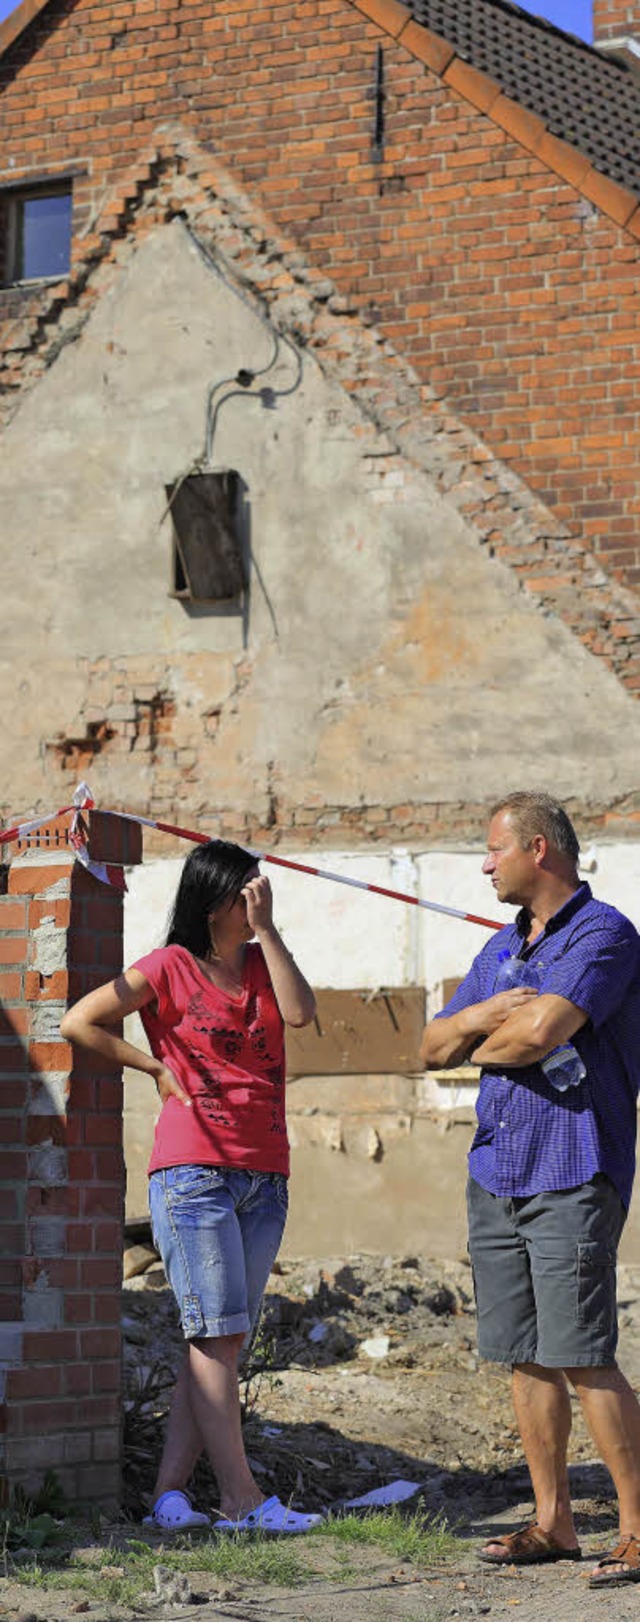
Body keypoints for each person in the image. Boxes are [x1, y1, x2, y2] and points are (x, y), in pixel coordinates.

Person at [61, 838, 323, 1536]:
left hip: (265, 1174)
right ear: (213, 900)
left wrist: (268, 931)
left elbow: (301, 1015)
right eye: (246, 895)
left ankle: (169, 1496)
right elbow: (78, 1020)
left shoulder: (266, 963)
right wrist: (152, 1068)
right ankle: (240, 1498)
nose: (256, 902)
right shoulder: (169, 966)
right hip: (194, 1171)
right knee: (215, 1337)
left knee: (218, 1342)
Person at [420, 791, 640, 1589]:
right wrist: (480, 1015)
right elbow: (428, 1043)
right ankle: (554, 1522)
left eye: (494, 849)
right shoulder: (498, 949)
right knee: (525, 1357)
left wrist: (476, 1041)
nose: (486, 864)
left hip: (573, 1165)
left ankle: (637, 1529)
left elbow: (541, 1033)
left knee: (583, 1356)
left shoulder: (605, 934)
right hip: (498, 1169)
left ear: (539, 849)